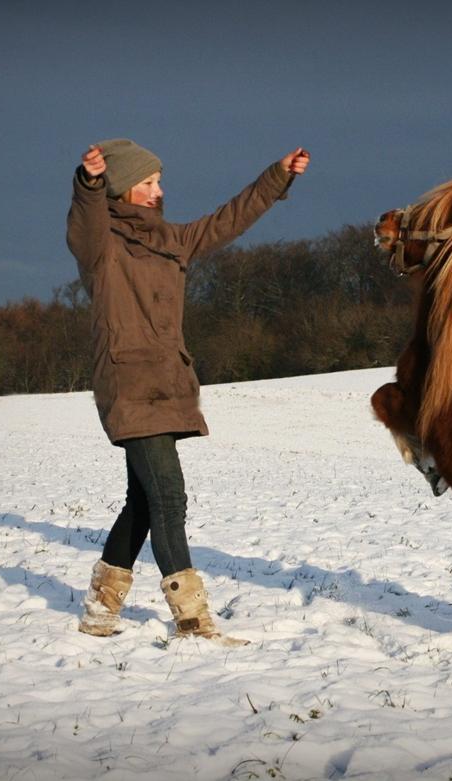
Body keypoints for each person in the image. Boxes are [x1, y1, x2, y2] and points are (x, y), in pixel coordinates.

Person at [67, 138, 310, 644]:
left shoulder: (173, 240)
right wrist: (89, 183)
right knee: (169, 497)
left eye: (160, 181)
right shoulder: (103, 248)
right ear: (122, 189)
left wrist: (277, 176)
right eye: (149, 183)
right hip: (130, 386)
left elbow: (229, 219)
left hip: (170, 384)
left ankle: (100, 611)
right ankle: (193, 622)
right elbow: (86, 221)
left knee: (144, 499)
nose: (160, 190)